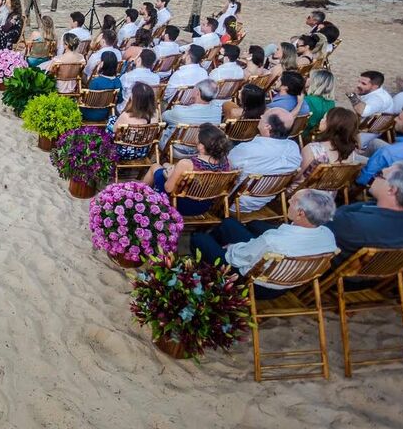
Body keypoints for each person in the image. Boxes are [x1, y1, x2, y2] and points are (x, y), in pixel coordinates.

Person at [190, 189, 338, 299]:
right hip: (285, 285)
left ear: (301, 213)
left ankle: (209, 271)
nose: (288, 201)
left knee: (199, 239)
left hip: (253, 285)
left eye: (293, 201)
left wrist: (232, 247)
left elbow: (235, 258)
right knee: (229, 224)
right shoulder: (328, 236)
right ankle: (212, 257)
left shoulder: (273, 240)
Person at [327, 161, 403, 268]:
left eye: (379, 174)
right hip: (382, 277)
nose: (374, 176)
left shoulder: (353, 222)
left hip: (339, 274)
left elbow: (322, 223)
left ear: (392, 190)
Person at [143, 123, 232, 215]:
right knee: (164, 166)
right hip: (204, 207)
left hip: (179, 205)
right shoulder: (227, 163)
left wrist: (169, 176)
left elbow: (168, 189)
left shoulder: (187, 164)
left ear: (201, 146)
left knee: (155, 167)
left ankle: (138, 198)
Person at [228, 108, 303, 212]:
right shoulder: (294, 148)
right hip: (264, 201)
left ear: (267, 126)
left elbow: (226, 169)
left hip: (235, 202)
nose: (260, 117)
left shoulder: (248, 149)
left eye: (263, 116)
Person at [289, 107, 364, 193]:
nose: (321, 120)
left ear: (332, 125)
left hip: (302, 194)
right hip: (328, 196)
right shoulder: (351, 153)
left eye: (324, 118)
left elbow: (295, 176)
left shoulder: (313, 149)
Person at [160, 79, 223, 158]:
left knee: (159, 129)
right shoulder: (218, 111)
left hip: (178, 150)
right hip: (202, 151)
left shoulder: (180, 112)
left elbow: (163, 116)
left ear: (197, 92)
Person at [109, 82, 159, 160]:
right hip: (142, 152)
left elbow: (114, 132)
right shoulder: (155, 113)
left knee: (111, 120)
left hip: (123, 152)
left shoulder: (125, 116)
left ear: (134, 99)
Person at [81, 53, 122, 122]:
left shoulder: (96, 82)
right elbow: (119, 100)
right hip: (105, 114)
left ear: (102, 63)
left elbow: (89, 102)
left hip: (88, 113)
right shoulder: (118, 82)